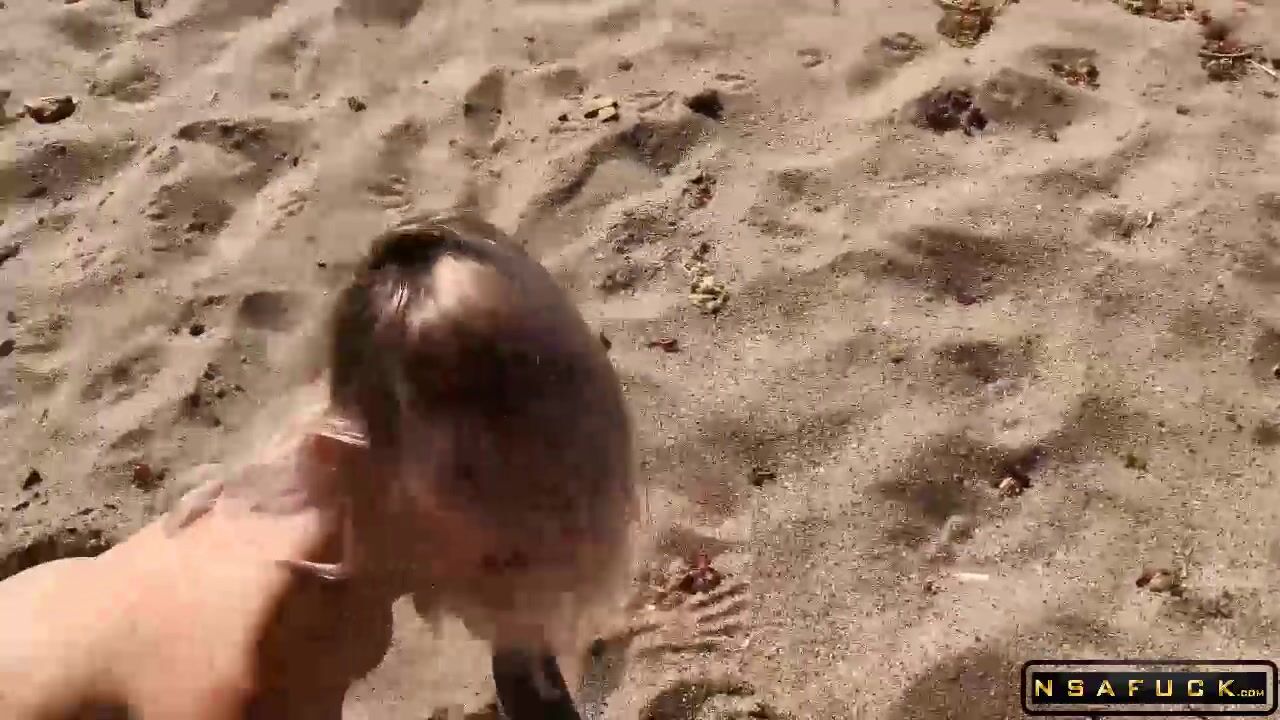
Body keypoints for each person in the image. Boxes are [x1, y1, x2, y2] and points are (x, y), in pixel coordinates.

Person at [0, 212, 637, 719]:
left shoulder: (382, 422)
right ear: (359, 460)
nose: (528, 531)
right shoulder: (262, 676)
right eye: (495, 504)